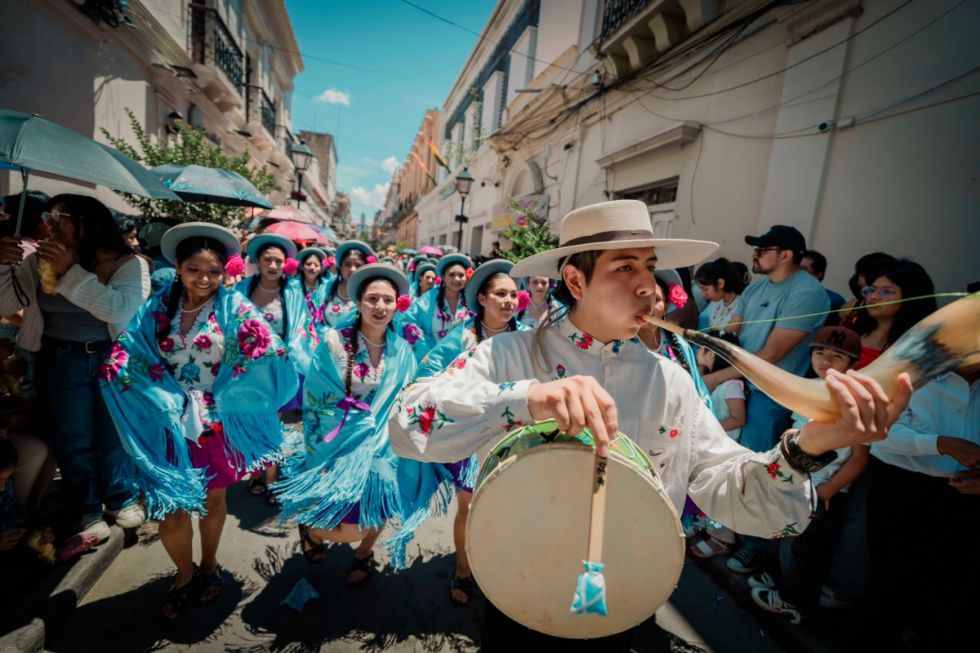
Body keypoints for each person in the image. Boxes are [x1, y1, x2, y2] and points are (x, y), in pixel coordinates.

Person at [388, 200, 910, 651]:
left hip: (625, 598)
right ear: (575, 280)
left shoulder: (672, 382)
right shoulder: (509, 355)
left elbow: (732, 490)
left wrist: (810, 446)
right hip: (519, 589)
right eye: (624, 268)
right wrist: (527, 397)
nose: (648, 286)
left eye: (651, 267)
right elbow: (408, 426)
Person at [99, 222, 298, 620]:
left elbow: (271, 352)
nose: (204, 278)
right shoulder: (156, 308)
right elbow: (126, 354)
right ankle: (184, 575)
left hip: (215, 425)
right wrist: (156, 394)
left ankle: (209, 566)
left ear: (225, 272)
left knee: (212, 500)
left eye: (213, 271)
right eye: (194, 269)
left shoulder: (236, 308)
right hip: (168, 423)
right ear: (178, 266)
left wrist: (230, 396)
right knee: (171, 508)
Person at [0, 194, 149, 543]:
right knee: (73, 439)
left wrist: (70, 272)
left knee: (113, 435)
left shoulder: (130, 264)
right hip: (59, 360)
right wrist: (3, 266)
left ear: (86, 223)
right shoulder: (37, 261)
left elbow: (120, 311)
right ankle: (87, 509)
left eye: (57, 216)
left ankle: (120, 498)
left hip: (112, 359)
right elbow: (6, 303)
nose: (47, 223)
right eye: (46, 215)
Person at [389, 259, 524, 605]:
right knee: (470, 507)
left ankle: (498, 567)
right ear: (482, 298)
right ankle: (463, 570)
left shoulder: (526, 339)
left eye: (513, 294)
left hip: (514, 440)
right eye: (500, 294)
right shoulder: (462, 336)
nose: (509, 301)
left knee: (508, 507)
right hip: (472, 439)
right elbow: (427, 376)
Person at [272, 264, 415, 585]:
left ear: (397, 304)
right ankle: (311, 528)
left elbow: (407, 398)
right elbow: (317, 394)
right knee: (342, 530)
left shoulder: (403, 351)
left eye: (388, 300)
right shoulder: (334, 341)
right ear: (359, 303)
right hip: (339, 445)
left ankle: (365, 553)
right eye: (372, 299)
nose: (380, 307)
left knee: (379, 509)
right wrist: (361, 423)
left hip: (383, 449)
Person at [749, 325, 867, 624]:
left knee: (802, 549)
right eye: (819, 352)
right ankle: (777, 581)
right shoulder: (807, 386)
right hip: (789, 482)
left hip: (820, 491)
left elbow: (858, 459)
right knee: (781, 533)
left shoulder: (856, 403)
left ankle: (793, 601)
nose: (826, 360)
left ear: (853, 364)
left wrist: (827, 490)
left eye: (837, 356)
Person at [861, 359, 979, 651]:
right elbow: (878, 431)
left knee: (950, 590)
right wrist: (941, 444)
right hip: (902, 486)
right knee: (888, 582)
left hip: (967, 496)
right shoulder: (912, 368)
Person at [235, 234, 311, 501]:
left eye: (278, 260)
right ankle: (256, 472)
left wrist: (286, 352)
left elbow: (301, 330)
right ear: (257, 261)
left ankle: (271, 479)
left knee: (271, 423)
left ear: (285, 264)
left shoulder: (292, 292)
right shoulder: (241, 290)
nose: (273, 265)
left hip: (278, 370)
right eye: (267, 259)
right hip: (246, 370)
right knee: (251, 422)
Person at [851, 259, 936, 370]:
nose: (873, 297)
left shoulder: (916, 346)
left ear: (910, 298)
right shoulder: (857, 329)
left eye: (886, 291)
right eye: (872, 289)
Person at [402, 254, 473, 360]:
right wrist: (428, 350)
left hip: (462, 363)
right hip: (432, 360)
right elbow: (409, 322)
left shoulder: (471, 301)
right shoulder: (427, 300)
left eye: (461, 275)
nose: (457, 279)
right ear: (443, 276)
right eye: (452, 274)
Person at [321, 240, 375, 327]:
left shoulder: (372, 293)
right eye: (347, 264)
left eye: (358, 265)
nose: (352, 269)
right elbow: (313, 316)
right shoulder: (326, 288)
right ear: (340, 266)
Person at [694, 257, 744, 334]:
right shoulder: (714, 303)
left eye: (705, 289)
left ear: (720, 283)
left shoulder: (741, 305)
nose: (703, 294)